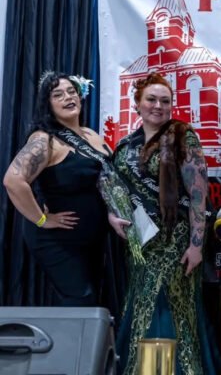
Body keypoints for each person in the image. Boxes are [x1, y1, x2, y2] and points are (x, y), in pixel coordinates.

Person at [110, 73, 210, 374]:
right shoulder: (126, 145)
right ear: (137, 103)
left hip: (174, 239)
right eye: (151, 99)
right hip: (139, 242)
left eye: (165, 101)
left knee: (169, 305)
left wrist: (196, 246)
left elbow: (198, 196)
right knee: (142, 301)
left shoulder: (183, 137)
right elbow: (116, 189)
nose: (158, 106)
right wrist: (112, 215)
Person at [3, 71, 108, 306]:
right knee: (81, 302)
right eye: (58, 95)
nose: (67, 97)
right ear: (48, 105)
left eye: (71, 92)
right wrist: (42, 219)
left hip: (92, 238)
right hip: (58, 241)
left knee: (96, 303)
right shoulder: (45, 140)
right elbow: (13, 181)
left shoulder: (91, 135)